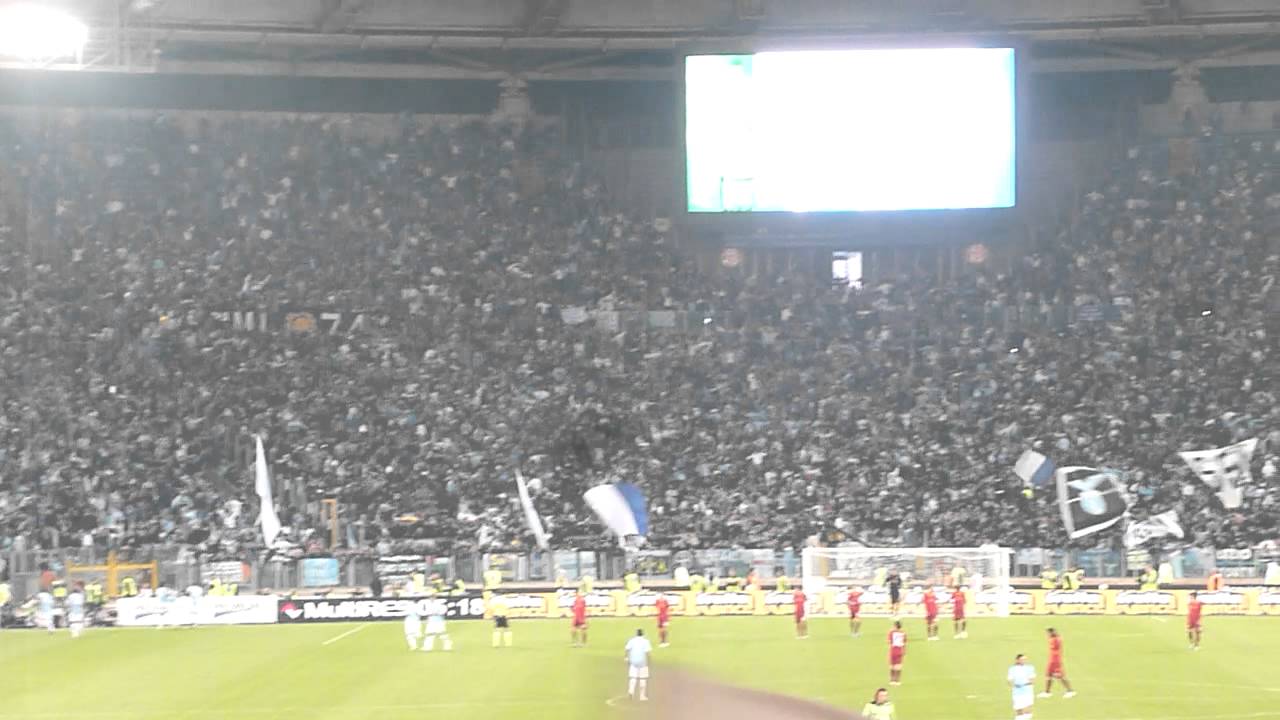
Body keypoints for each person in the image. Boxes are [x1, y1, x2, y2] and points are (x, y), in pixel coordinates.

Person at [1039, 628, 1075, 698]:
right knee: (1048, 675)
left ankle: (1070, 691)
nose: (1047, 635)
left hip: (1055, 660)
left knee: (1059, 675)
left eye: (1048, 633)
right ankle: (1047, 692)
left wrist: (1054, 636)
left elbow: (1057, 643)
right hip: (1052, 659)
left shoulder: (1055, 639)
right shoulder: (1054, 639)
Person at [624, 629, 653, 702]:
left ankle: (631, 691)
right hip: (642, 662)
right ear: (642, 634)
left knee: (633, 677)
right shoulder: (646, 641)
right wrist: (649, 662)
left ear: (636, 634)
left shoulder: (632, 640)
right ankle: (642, 696)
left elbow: (627, 649)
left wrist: (626, 657)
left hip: (633, 661)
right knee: (642, 678)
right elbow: (648, 652)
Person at [1007, 654, 1036, 720]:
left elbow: (1032, 679)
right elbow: (1010, 680)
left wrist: (1026, 683)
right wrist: (1015, 685)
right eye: (1022, 659)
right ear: (1017, 660)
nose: (1024, 661)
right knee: (1019, 710)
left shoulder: (1030, 668)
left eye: (1025, 659)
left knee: (1027, 709)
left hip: (1027, 690)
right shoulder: (1012, 669)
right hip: (1017, 691)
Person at [887, 621, 907, 686]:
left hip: (893, 650)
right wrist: (904, 651)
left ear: (895, 626)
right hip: (900, 650)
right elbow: (904, 642)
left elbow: (889, 641)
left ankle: (892, 680)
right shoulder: (903, 633)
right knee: (899, 666)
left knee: (892, 666)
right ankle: (897, 681)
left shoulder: (891, 632)